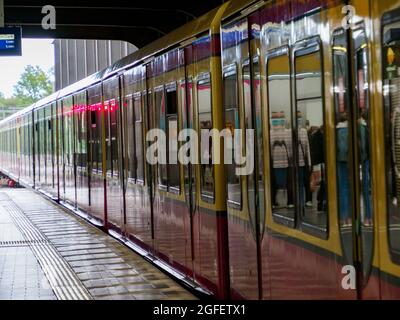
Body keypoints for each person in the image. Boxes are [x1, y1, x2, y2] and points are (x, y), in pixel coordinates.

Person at [336, 112, 351, 227]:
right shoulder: (351, 130)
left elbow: (339, 148)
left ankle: (343, 217)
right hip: (350, 162)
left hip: (340, 162)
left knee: (342, 189)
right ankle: (350, 218)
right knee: (351, 189)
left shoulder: (336, 131)